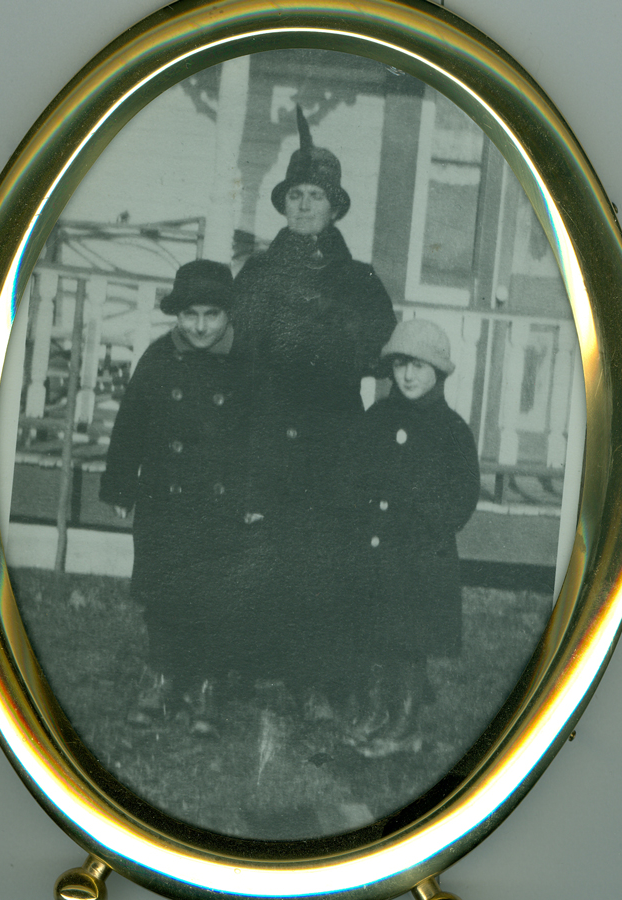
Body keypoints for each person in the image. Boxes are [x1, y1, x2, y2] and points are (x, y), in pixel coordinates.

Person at [231, 106, 396, 710]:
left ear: (334, 208)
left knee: (325, 555)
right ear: (283, 204)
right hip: (269, 433)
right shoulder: (258, 272)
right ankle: (254, 673)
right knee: (264, 551)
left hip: (332, 439)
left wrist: (316, 331)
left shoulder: (357, 279)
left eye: (315, 197)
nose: (303, 206)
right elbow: (243, 342)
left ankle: (322, 680)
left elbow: (372, 343)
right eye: (295, 195)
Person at [99, 259, 251, 729]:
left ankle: (206, 684)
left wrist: (257, 499)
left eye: (211, 314)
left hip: (224, 505)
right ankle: (163, 677)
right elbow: (130, 425)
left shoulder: (246, 364)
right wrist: (122, 483)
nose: (200, 326)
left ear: (228, 314)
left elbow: (261, 438)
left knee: (214, 594)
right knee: (162, 591)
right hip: (165, 499)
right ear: (176, 315)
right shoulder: (159, 357)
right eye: (190, 315)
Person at [344, 319, 480, 757]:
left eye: (419, 366)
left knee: (408, 640)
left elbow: (462, 495)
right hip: (375, 551)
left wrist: (428, 525)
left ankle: (405, 721)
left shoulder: (451, 430)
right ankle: (376, 711)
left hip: (420, 558)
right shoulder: (377, 418)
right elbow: (356, 477)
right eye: (401, 364)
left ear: (438, 371)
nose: (408, 375)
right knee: (370, 634)